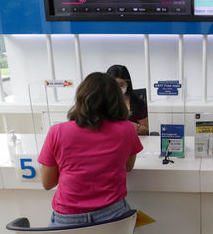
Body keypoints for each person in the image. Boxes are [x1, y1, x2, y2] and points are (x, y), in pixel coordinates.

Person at [38, 72, 143, 227]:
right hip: (113, 216)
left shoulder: (57, 131)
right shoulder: (127, 129)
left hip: (67, 219)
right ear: (116, 99)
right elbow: (128, 166)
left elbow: (48, 183)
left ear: (81, 97)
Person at [107, 65, 149, 135]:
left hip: (130, 139)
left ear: (127, 83)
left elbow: (146, 130)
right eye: (113, 85)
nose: (117, 89)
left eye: (121, 85)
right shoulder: (102, 101)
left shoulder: (138, 103)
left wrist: (136, 127)